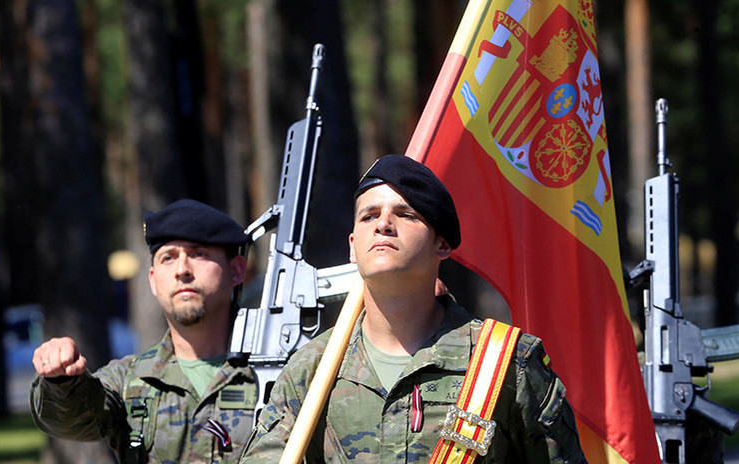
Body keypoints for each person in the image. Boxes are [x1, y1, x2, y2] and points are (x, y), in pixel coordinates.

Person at [240, 155, 587, 463]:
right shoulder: (312, 369)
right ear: (352, 247)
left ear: (442, 243)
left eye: (405, 214)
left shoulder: (506, 363)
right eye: (369, 216)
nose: (383, 224)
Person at [30, 199, 257, 463]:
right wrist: (61, 381)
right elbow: (70, 419)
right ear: (153, 280)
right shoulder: (129, 382)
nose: (182, 270)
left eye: (199, 254)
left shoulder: (276, 376)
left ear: (236, 270)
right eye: (168, 258)